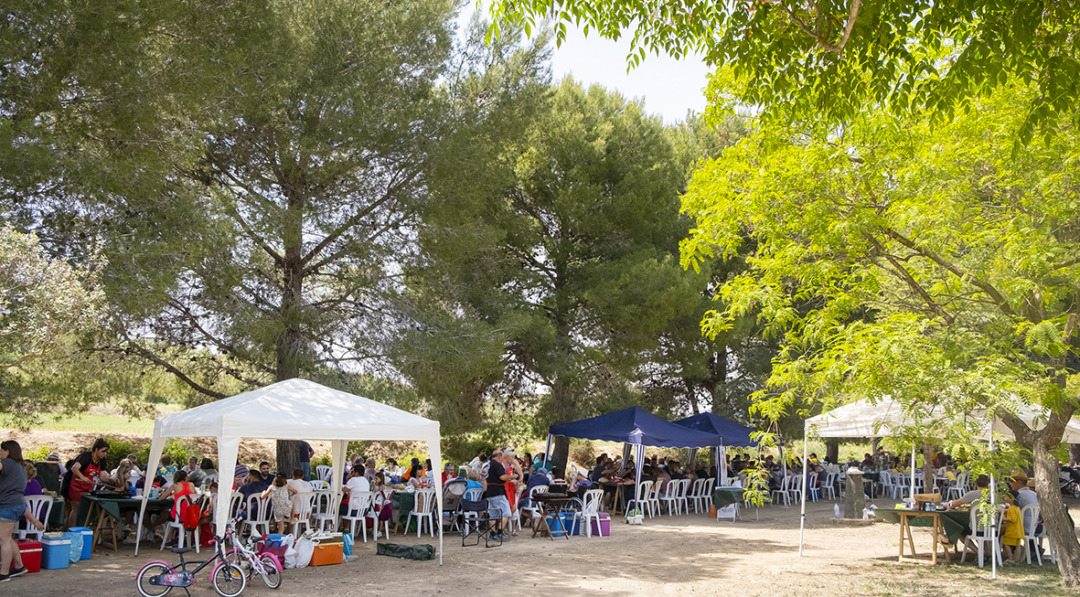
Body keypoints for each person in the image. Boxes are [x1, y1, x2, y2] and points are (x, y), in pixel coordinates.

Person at [0, 441, 34, 582]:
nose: (1, 454)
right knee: (7, 537)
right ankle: (19, 566)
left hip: (8, 506)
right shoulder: (21, 466)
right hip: (18, 505)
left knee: (4, 539)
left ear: (8, 451)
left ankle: (3, 573)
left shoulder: (7, 463)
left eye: (1, 451)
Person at [66, 438, 110, 528]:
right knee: (76, 508)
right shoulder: (85, 457)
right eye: (103, 451)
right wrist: (83, 477)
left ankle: (70, 529)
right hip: (74, 484)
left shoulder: (102, 460)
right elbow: (74, 468)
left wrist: (111, 479)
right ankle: (72, 532)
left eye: (106, 452)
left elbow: (102, 476)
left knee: (83, 509)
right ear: (96, 449)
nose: (105, 454)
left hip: (86, 486)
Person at [485, 447, 515, 540]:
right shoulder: (497, 465)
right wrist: (512, 476)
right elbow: (502, 477)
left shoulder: (488, 464)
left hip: (489, 492)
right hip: (498, 491)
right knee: (506, 513)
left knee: (493, 514)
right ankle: (500, 533)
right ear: (499, 457)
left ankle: (492, 534)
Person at [1000, 491, 1024, 564]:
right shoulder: (1016, 508)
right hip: (1018, 530)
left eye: (1006, 496)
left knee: (1006, 544)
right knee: (1018, 545)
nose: (1004, 497)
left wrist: (1003, 517)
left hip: (1012, 531)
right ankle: (1017, 560)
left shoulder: (1011, 508)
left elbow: (1012, 519)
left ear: (1012, 499)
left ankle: (1011, 559)